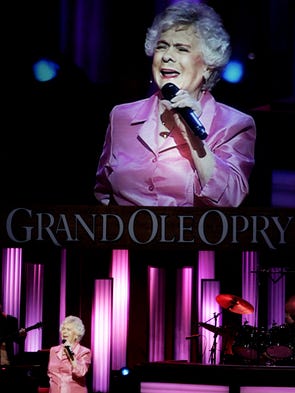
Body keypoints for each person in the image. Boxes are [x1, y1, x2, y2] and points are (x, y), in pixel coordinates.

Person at [94, 0, 256, 207]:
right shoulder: (121, 116)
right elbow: (103, 195)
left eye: (182, 49)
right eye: (162, 47)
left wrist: (192, 135)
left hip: (193, 238)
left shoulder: (235, 125)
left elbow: (229, 200)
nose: (167, 57)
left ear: (208, 65)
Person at [47, 315, 91, 393]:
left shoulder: (84, 352)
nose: (64, 331)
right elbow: (51, 374)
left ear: (76, 335)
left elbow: (80, 372)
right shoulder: (53, 350)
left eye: (68, 329)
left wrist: (69, 352)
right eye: (63, 329)